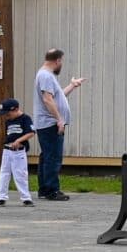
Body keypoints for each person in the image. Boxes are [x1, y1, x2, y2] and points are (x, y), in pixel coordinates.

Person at [32, 48, 83, 202]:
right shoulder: (46, 76)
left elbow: (57, 96)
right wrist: (59, 119)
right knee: (53, 157)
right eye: (62, 61)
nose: (61, 64)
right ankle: (52, 190)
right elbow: (48, 99)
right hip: (50, 123)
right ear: (58, 60)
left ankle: (44, 189)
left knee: (47, 156)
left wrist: (72, 85)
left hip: (47, 123)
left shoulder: (45, 75)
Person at [0, 98, 35, 207]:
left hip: (18, 152)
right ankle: (1, 197)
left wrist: (19, 141)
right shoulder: (8, 121)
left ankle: (26, 198)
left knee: (20, 174)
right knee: (4, 173)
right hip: (7, 151)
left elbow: (31, 133)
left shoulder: (25, 119)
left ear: (16, 109)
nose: (6, 116)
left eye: (8, 114)